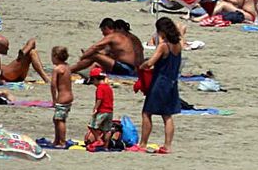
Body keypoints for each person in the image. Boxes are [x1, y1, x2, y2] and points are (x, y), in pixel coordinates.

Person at [134, 17, 184, 154]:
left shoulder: (164, 46)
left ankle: (143, 144)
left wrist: (141, 66)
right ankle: (167, 146)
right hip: (172, 82)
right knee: (167, 115)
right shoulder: (178, 45)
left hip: (160, 83)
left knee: (146, 113)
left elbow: (151, 62)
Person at [71, 17, 144, 76]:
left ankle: (70, 70)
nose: (103, 34)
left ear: (106, 28)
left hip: (127, 68)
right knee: (97, 57)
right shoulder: (123, 37)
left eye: (103, 31)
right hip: (130, 67)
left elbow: (95, 47)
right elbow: (105, 51)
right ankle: (79, 69)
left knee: (95, 56)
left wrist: (83, 56)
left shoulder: (113, 36)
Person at [83, 67, 114, 149]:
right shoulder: (108, 87)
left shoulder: (100, 88)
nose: (93, 83)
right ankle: (106, 146)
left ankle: (98, 139)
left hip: (102, 111)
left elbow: (99, 99)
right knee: (106, 130)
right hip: (109, 111)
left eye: (93, 81)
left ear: (96, 79)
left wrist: (95, 108)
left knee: (91, 126)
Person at [49, 46, 73, 148]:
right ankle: (57, 140)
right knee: (56, 119)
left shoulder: (57, 69)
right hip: (69, 95)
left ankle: (62, 142)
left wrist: (54, 99)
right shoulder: (67, 66)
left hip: (62, 97)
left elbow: (53, 85)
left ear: (55, 56)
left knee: (60, 120)